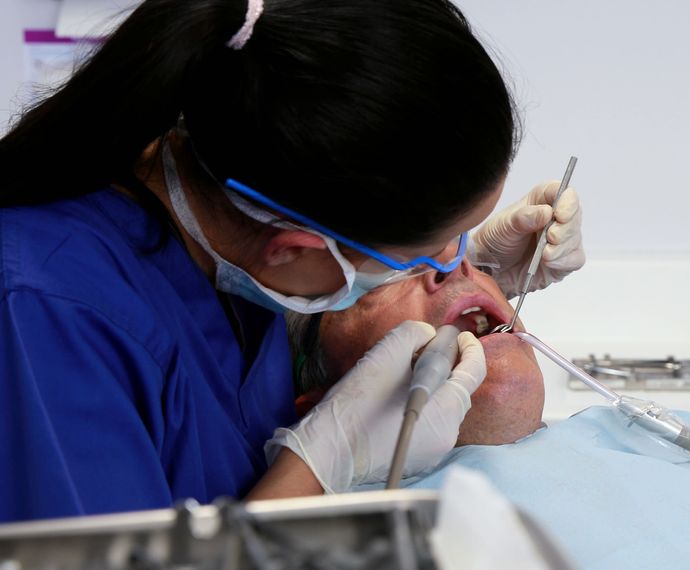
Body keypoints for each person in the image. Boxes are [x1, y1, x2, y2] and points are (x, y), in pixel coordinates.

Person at [0, 0, 584, 522]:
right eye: (411, 259)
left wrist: (469, 269)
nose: (456, 265)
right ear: (295, 249)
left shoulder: (227, 211)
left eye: (460, 244)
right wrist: (316, 465)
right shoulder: (46, 319)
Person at [288, 260, 690, 569]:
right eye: (380, 279)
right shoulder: (356, 541)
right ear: (325, 408)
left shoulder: (663, 434)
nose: (455, 269)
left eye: (464, 253)